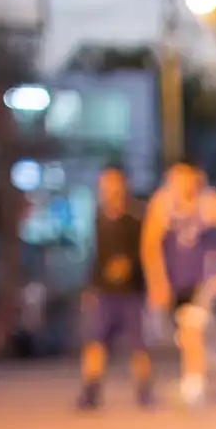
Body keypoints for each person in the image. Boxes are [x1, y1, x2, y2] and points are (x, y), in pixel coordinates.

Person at [140, 161, 216, 407]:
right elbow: (150, 245)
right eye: (175, 179)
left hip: (205, 278)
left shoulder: (211, 203)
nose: (181, 185)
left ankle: (193, 387)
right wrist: (157, 282)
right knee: (193, 337)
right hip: (175, 280)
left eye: (186, 178)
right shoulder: (162, 203)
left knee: (191, 329)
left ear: (198, 177)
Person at [78, 165, 153, 409]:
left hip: (132, 292)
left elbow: (147, 250)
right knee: (95, 341)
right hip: (104, 291)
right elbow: (96, 256)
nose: (109, 189)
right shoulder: (99, 217)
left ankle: (144, 390)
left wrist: (130, 265)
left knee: (138, 344)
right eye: (105, 184)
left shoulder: (137, 216)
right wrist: (90, 287)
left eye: (113, 183)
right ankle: (91, 390)